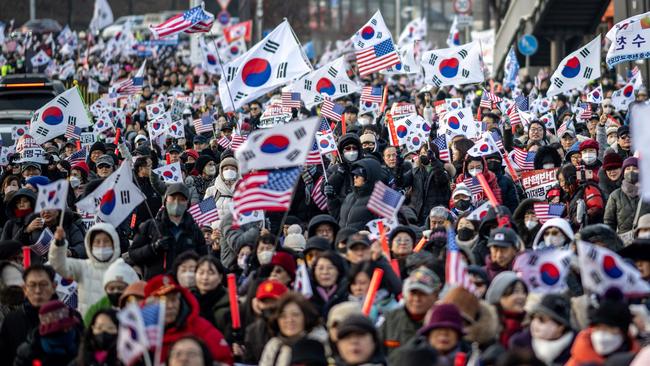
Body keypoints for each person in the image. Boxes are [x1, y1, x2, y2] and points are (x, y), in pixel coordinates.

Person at [144, 274, 233, 364]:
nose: (170, 306)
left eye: (174, 299)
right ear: (149, 304)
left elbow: (224, 360)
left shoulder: (201, 328)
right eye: (163, 301)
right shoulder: (139, 332)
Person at [130, 183, 208, 279]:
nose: (176, 202)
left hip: (185, 286)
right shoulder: (150, 227)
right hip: (156, 285)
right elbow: (133, 254)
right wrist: (153, 247)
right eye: (173, 198)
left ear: (187, 203)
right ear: (165, 200)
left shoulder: (195, 230)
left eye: (181, 199)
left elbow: (204, 260)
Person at [49, 223, 121, 316]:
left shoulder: (124, 270)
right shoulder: (83, 267)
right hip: (86, 323)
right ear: (90, 245)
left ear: (114, 243)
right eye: (97, 241)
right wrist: (59, 244)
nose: (102, 245)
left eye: (106, 241)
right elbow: (58, 264)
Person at [566, 289, 640, 365]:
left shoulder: (639, 360)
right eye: (597, 328)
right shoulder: (576, 361)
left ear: (623, 332)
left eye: (608, 328)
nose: (601, 335)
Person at [380, 267, 441, 355]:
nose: (416, 299)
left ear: (435, 295)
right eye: (413, 293)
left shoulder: (443, 323)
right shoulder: (390, 320)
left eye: (422, 294)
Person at [259, 292, 328, 366]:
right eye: (283, 316)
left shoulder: (319, 344)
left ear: (306, 317)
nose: (289, 320)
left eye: (295, 314)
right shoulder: (274, 345)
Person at [14, 299, 84, 366]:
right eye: (63, 328)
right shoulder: (28, 351)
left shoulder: (84, 343)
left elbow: (94, 359)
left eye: (70, 326)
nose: (68, 330)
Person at [511, 294, 575, 365]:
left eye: (542, 319)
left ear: (561, 326)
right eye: (533, 317)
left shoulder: (576, 346)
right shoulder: (519, 343)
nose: (535, 323)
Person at [83, 258, 139, 325]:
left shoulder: (139, 306)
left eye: (121, 288)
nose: (116, 291)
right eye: (111, 289)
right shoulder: (97, 308)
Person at [604, 157, 649, 238]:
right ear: (623, 172)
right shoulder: (615, 195)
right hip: (624, 242)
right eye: (627, 169)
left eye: (635, 168)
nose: (631, 171)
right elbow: (609, 222)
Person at [192, 256, 232, 342]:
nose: (205, 277)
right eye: (201, 272)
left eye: (210, 273)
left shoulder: (230, 303)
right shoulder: (188, 300)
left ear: (220, 277)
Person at [485, 271, 528, 348]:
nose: (522, 296)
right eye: (516, 291)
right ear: (499, 297)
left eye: (523, 292)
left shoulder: (530, 323)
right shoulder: (489, 327)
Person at [337, 158, 382, 231]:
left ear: (369, 177)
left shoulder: (377, 199)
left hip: (362, 241)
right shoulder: (349, 196)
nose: (355, 177)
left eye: (358, 174)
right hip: (343, 240)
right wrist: (331, 200)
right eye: (354, 174)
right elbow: (337, 217)